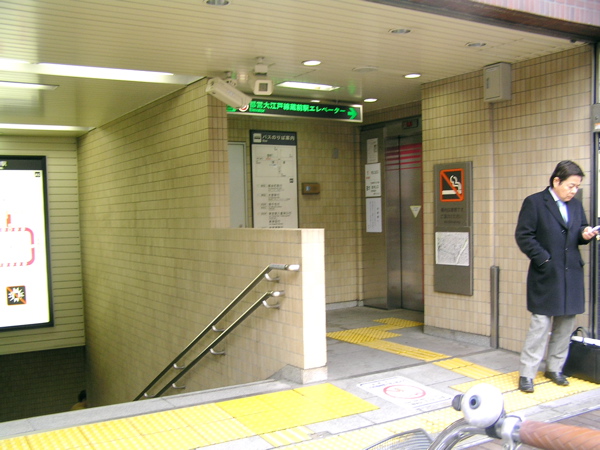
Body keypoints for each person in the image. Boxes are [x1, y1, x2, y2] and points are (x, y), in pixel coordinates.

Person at [515, 160, 598, 393]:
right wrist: (544, 259)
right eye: (571, 186)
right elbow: (524, 236)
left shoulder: (576, 206)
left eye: (577, 187)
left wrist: (585, 234)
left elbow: (579, 230)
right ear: (556, 181)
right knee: (540, 325)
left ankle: (554, 368)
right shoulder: (535, 202)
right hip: (546, 273)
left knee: (566, 323)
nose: (574, 191)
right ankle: (527, 373)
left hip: (571, 273)